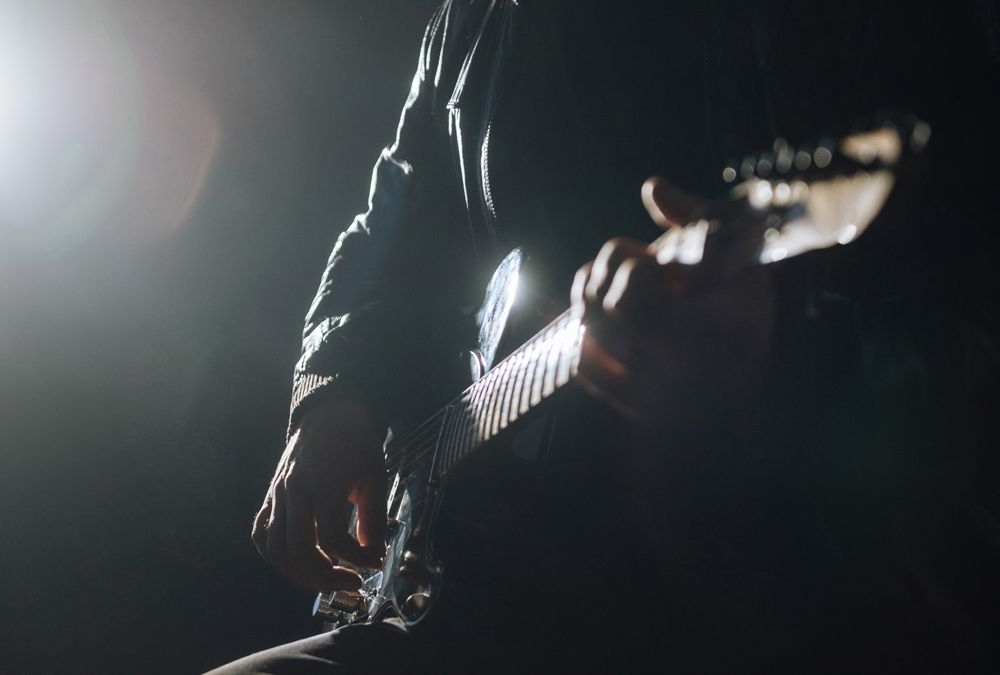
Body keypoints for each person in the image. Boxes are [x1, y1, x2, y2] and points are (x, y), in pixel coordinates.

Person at [215, 1, 1000, 672]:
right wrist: (331, 389)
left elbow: (957, 332)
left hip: (770, 590)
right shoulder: (472, 20)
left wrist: (784, 351)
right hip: (496, 593)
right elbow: (393, 220)